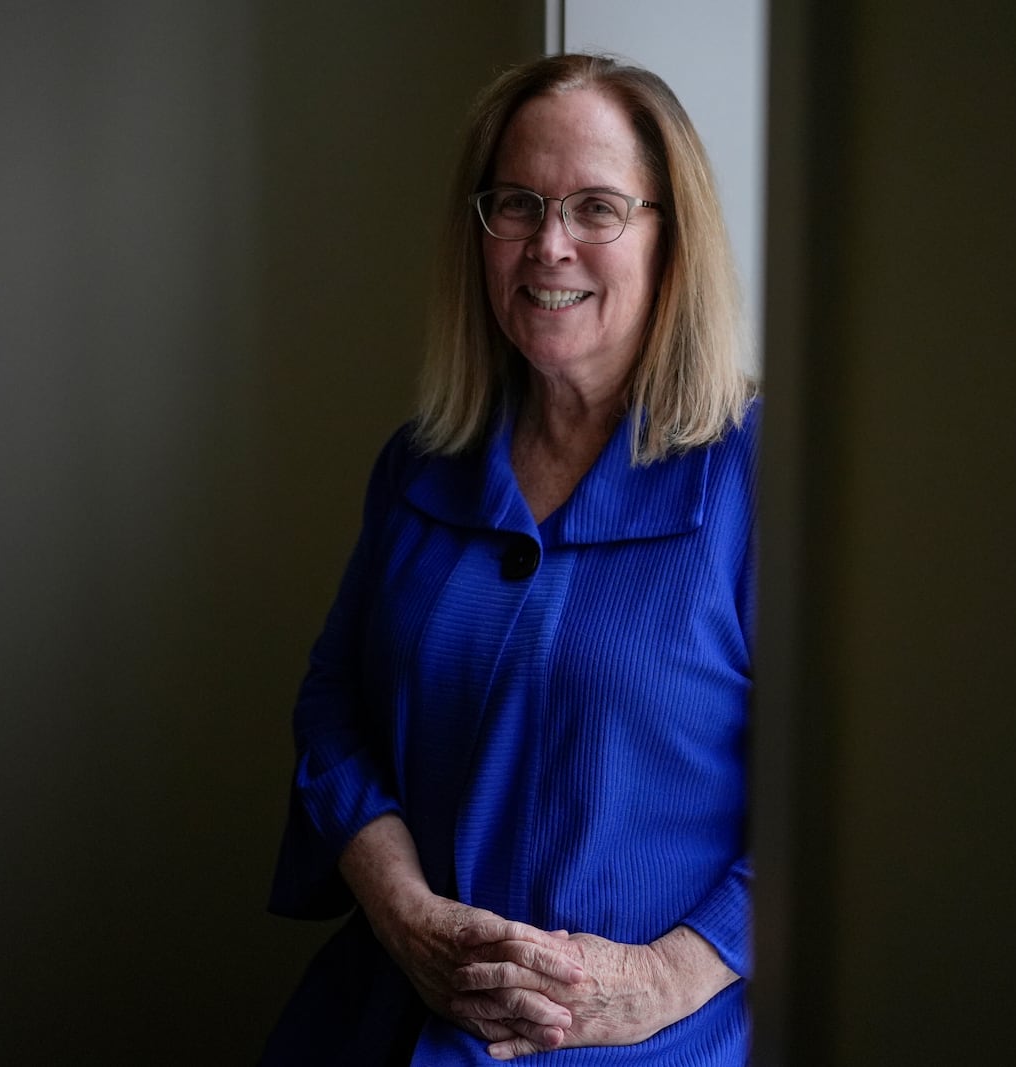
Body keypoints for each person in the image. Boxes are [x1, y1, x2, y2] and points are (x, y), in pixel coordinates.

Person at [263, 53, 757, 1065]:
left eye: (596, 207)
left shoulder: (770, 478)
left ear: (672, 235)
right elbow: (331, 702)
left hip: (655, 1041)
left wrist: (668, 974)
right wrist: (401, 908)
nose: (550, 244)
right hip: (386, 1018)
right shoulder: (422, 461)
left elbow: (845, 799)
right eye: (517, 204)